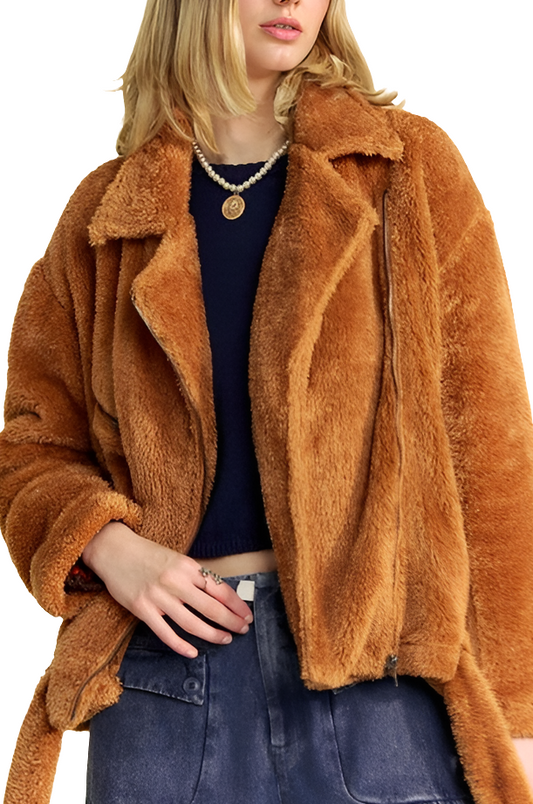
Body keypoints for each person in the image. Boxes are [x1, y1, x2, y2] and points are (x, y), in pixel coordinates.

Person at [1, 0, 533, 802]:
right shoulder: (106, 216)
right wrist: (108, 547)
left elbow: (490, 455)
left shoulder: (404, 169)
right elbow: (31, 449)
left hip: (380, 683)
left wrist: (517, 720)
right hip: (160, 684)